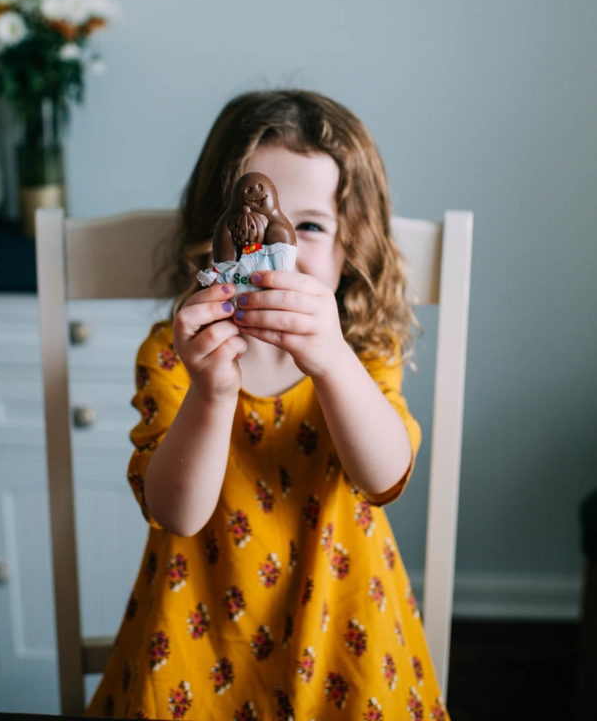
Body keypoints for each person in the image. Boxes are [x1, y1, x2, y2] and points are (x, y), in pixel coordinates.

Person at [86, 89, 449, 721]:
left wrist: (333, 361)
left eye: (310, 225)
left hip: (344, 629)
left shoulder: (362, 351)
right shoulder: (177, 355)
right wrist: (212, 391)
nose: (276, 247)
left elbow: (385, 476)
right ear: (216, 231)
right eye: (252, 219)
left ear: (350, 246)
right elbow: (174, 512)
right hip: (197, 631)